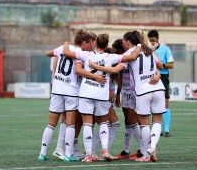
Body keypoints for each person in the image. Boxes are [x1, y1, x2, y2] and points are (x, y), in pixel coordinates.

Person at [62, 33, 142, 163]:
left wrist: (66, 42)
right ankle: (105, 149)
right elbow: (133, 56)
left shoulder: (86, 55)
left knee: (87, 123)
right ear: (106, 45)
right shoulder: (111, 57)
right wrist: (139, 44)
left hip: (86, 93)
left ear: (95, 43)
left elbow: (66, 52)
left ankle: (88, 155)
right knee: (104, 123)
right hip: (101, 95)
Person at [89, 30, 165, 162]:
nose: (122, 42)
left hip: (141, 91)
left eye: (124, 40)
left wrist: (95, 66)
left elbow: (114, 70)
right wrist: (157, 72)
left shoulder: (130, 53)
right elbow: (160, 66)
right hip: (158, 89)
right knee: (157, 121)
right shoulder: (150, 50)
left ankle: (145, 153)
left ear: (128, 42)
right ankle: (151, 148)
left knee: (143, 124)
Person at [37, 30, 105, 162]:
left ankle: (42, 153)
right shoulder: (82, 53)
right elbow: (78, 70)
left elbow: (48, 53)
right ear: (84, 42)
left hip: (57, 90)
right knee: (70, 124)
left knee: (51, 124)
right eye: (90, 43)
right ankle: (68, 155)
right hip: (71, 92)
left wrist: (62, 47)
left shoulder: (63, 48)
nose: (91, 46)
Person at [148, 30, 174, 137]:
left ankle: (166, 129)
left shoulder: (165, 49)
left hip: (163, 77)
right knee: (152, 102)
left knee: (165, 103)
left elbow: (171, 65)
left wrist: (161, 65)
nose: (152, 42)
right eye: (150, 40)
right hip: (151, 77)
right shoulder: (148, 50)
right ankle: (155, 128)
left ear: (157, 38)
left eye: (153, 40)